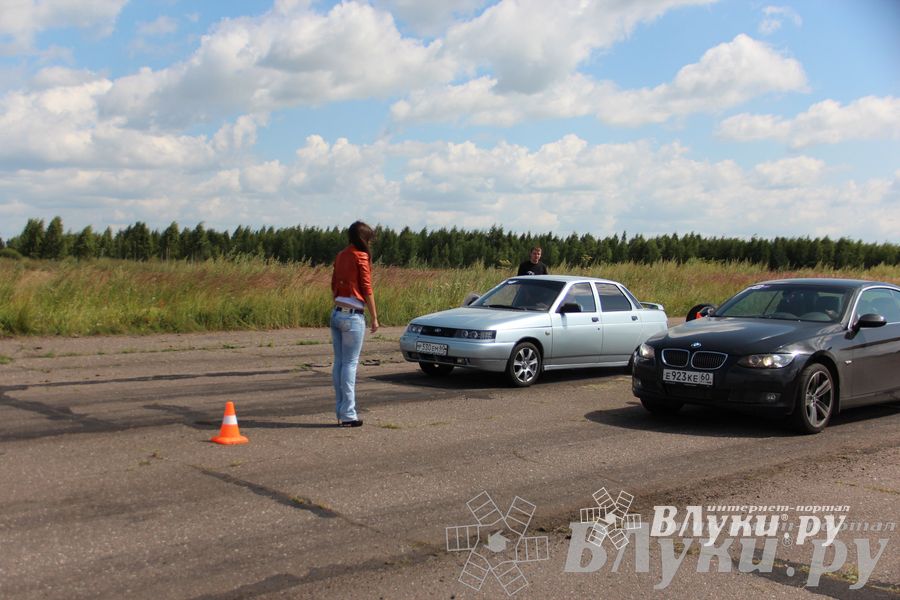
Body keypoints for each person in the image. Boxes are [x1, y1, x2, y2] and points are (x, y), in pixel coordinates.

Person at [330, 221, 379, 427]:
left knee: (340, 363)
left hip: (336, 312)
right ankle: (349, 414)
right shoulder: (361, 256)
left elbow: (333, 284)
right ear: (363, 239)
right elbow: (367, 288)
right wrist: (375, 317)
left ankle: (341, 412)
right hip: (352, 316)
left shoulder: (341, 255)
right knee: (349, 364)